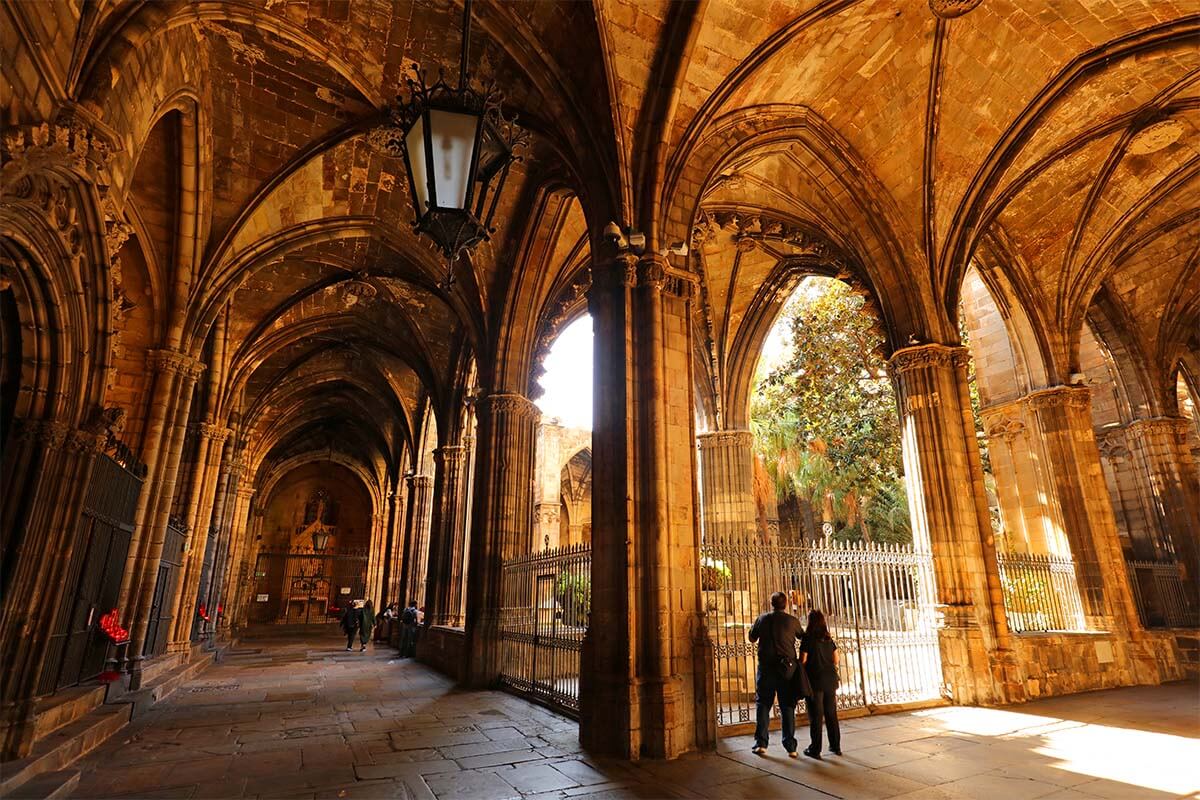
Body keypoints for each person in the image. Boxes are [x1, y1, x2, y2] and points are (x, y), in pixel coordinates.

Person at [747, 591, 804, 757]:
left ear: (771, 603)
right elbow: (802, 637)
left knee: (763, 704)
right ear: (785, 604)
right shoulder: (792, 621)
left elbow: (752, 637)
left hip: (766, 669)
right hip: (786, 669)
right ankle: (790, 746)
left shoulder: (762, 619)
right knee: (787, 706)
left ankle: (761, 743)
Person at [800, 609, 841, 759]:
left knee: (816, 716)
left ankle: (815, 749)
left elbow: (803, 660)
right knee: (831, 714)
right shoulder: (828, 638)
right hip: (830, 680)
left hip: (815, 681)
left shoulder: (808, 638)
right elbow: (836, 659)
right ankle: (835, 746)